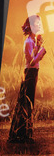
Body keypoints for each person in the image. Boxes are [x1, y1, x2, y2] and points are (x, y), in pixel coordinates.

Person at [8, 14, 46, 144]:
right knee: (26, 103)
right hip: (29, 73)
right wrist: (41, 52)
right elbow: (31, 62)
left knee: (29, 103)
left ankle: (25, 134)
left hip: (33, 73)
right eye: (36, 23)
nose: (39, 25)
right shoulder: (28, 42)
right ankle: (21, 135)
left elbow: (34, 57)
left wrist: (39, 45)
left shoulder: (33, 41)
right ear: (30, 26)